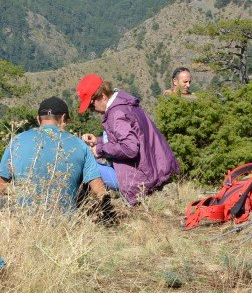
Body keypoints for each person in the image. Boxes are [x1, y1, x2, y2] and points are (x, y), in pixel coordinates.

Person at [76, 74, 179, 205]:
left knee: (85, 164)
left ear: (102, 97)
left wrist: (99, 149)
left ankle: (98, 210)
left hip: (141, 177)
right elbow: (126, 137)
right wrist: (98, 141)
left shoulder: (116, 113)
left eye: (91, 105)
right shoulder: (125, 103)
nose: (93, 110)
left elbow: (129, 148)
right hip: (153, 169)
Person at [0, 96, 109, 212]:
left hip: (23, 221)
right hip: (64, 224)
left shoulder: (16, 141)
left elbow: (1, 186)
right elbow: (99, 191)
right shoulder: (80, 145)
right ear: (63, 118)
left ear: (38, 119)